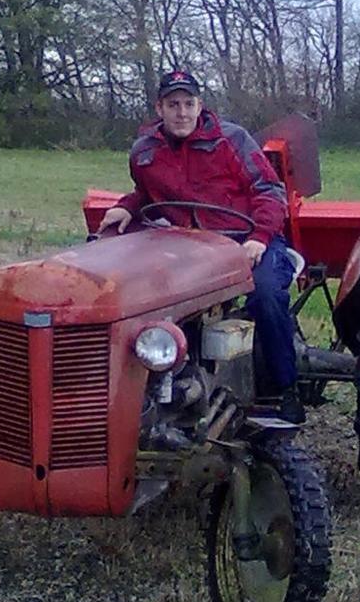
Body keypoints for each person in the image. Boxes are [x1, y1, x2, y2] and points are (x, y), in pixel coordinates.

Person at [100, 70, 305, 424]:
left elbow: (269, 192)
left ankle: (283, 391)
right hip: (187, 245)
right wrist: (127, 205)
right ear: (159, 108)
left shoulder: (231, 140)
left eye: (188, 103)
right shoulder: (144, 153)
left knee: (268, 294)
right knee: (139, 295)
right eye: (173, 104)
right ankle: (145, 387)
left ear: (200, 106)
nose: (181, 112)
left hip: (245, 238)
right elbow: (146, 194)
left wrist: (259, 238)